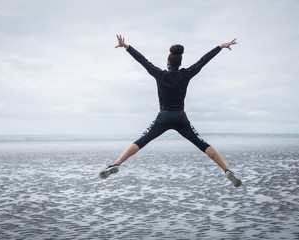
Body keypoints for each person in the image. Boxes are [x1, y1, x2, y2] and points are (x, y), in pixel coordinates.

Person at [100, 34, 242, 187]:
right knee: (202, 144)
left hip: (164, 117)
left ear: (168, 62)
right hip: (181, 118)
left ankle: (117, 164)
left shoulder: (160, 75)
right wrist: (220, 47)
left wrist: (126, 47)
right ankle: (226, 170)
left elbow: (143, 61)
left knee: (142, 141)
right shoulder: (186, 74)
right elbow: (203, 61)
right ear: (179, 63)